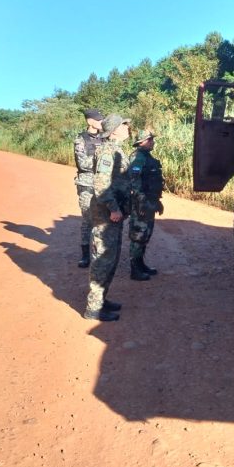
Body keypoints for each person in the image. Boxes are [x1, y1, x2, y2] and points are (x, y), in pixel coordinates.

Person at [84, 114, 131, 322]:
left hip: (115, 214)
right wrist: (113, 208)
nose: (128, 126)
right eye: (124, 124)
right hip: (106, 216)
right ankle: (93, 309)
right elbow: (101, 184)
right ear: (114, 130)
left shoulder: (117, 149)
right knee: (102, 260)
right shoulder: (106, 150)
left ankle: (102, 300)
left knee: (111, 258)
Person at [128, 129, 164, 280]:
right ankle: (134, 270)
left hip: (150, 202)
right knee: (138, 236)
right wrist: (141, 202)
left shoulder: (147, 157)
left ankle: (141, 264)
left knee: (145, 235)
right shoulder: (138, 158)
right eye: (150, 140)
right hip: (141, 204)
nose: (153, 142)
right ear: (142, 142)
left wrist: (157, 202)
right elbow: (134, 181)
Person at [73, 108, 104, 268]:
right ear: (90, 121)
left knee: (102, 219)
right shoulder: (81, 140)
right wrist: (102, 160)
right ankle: (85, 255)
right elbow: (83, 164)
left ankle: (98, 251)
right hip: (86, 184)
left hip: (102, 184)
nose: (101, 122)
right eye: (99, 120)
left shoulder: (104, 139)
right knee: (88, 219)